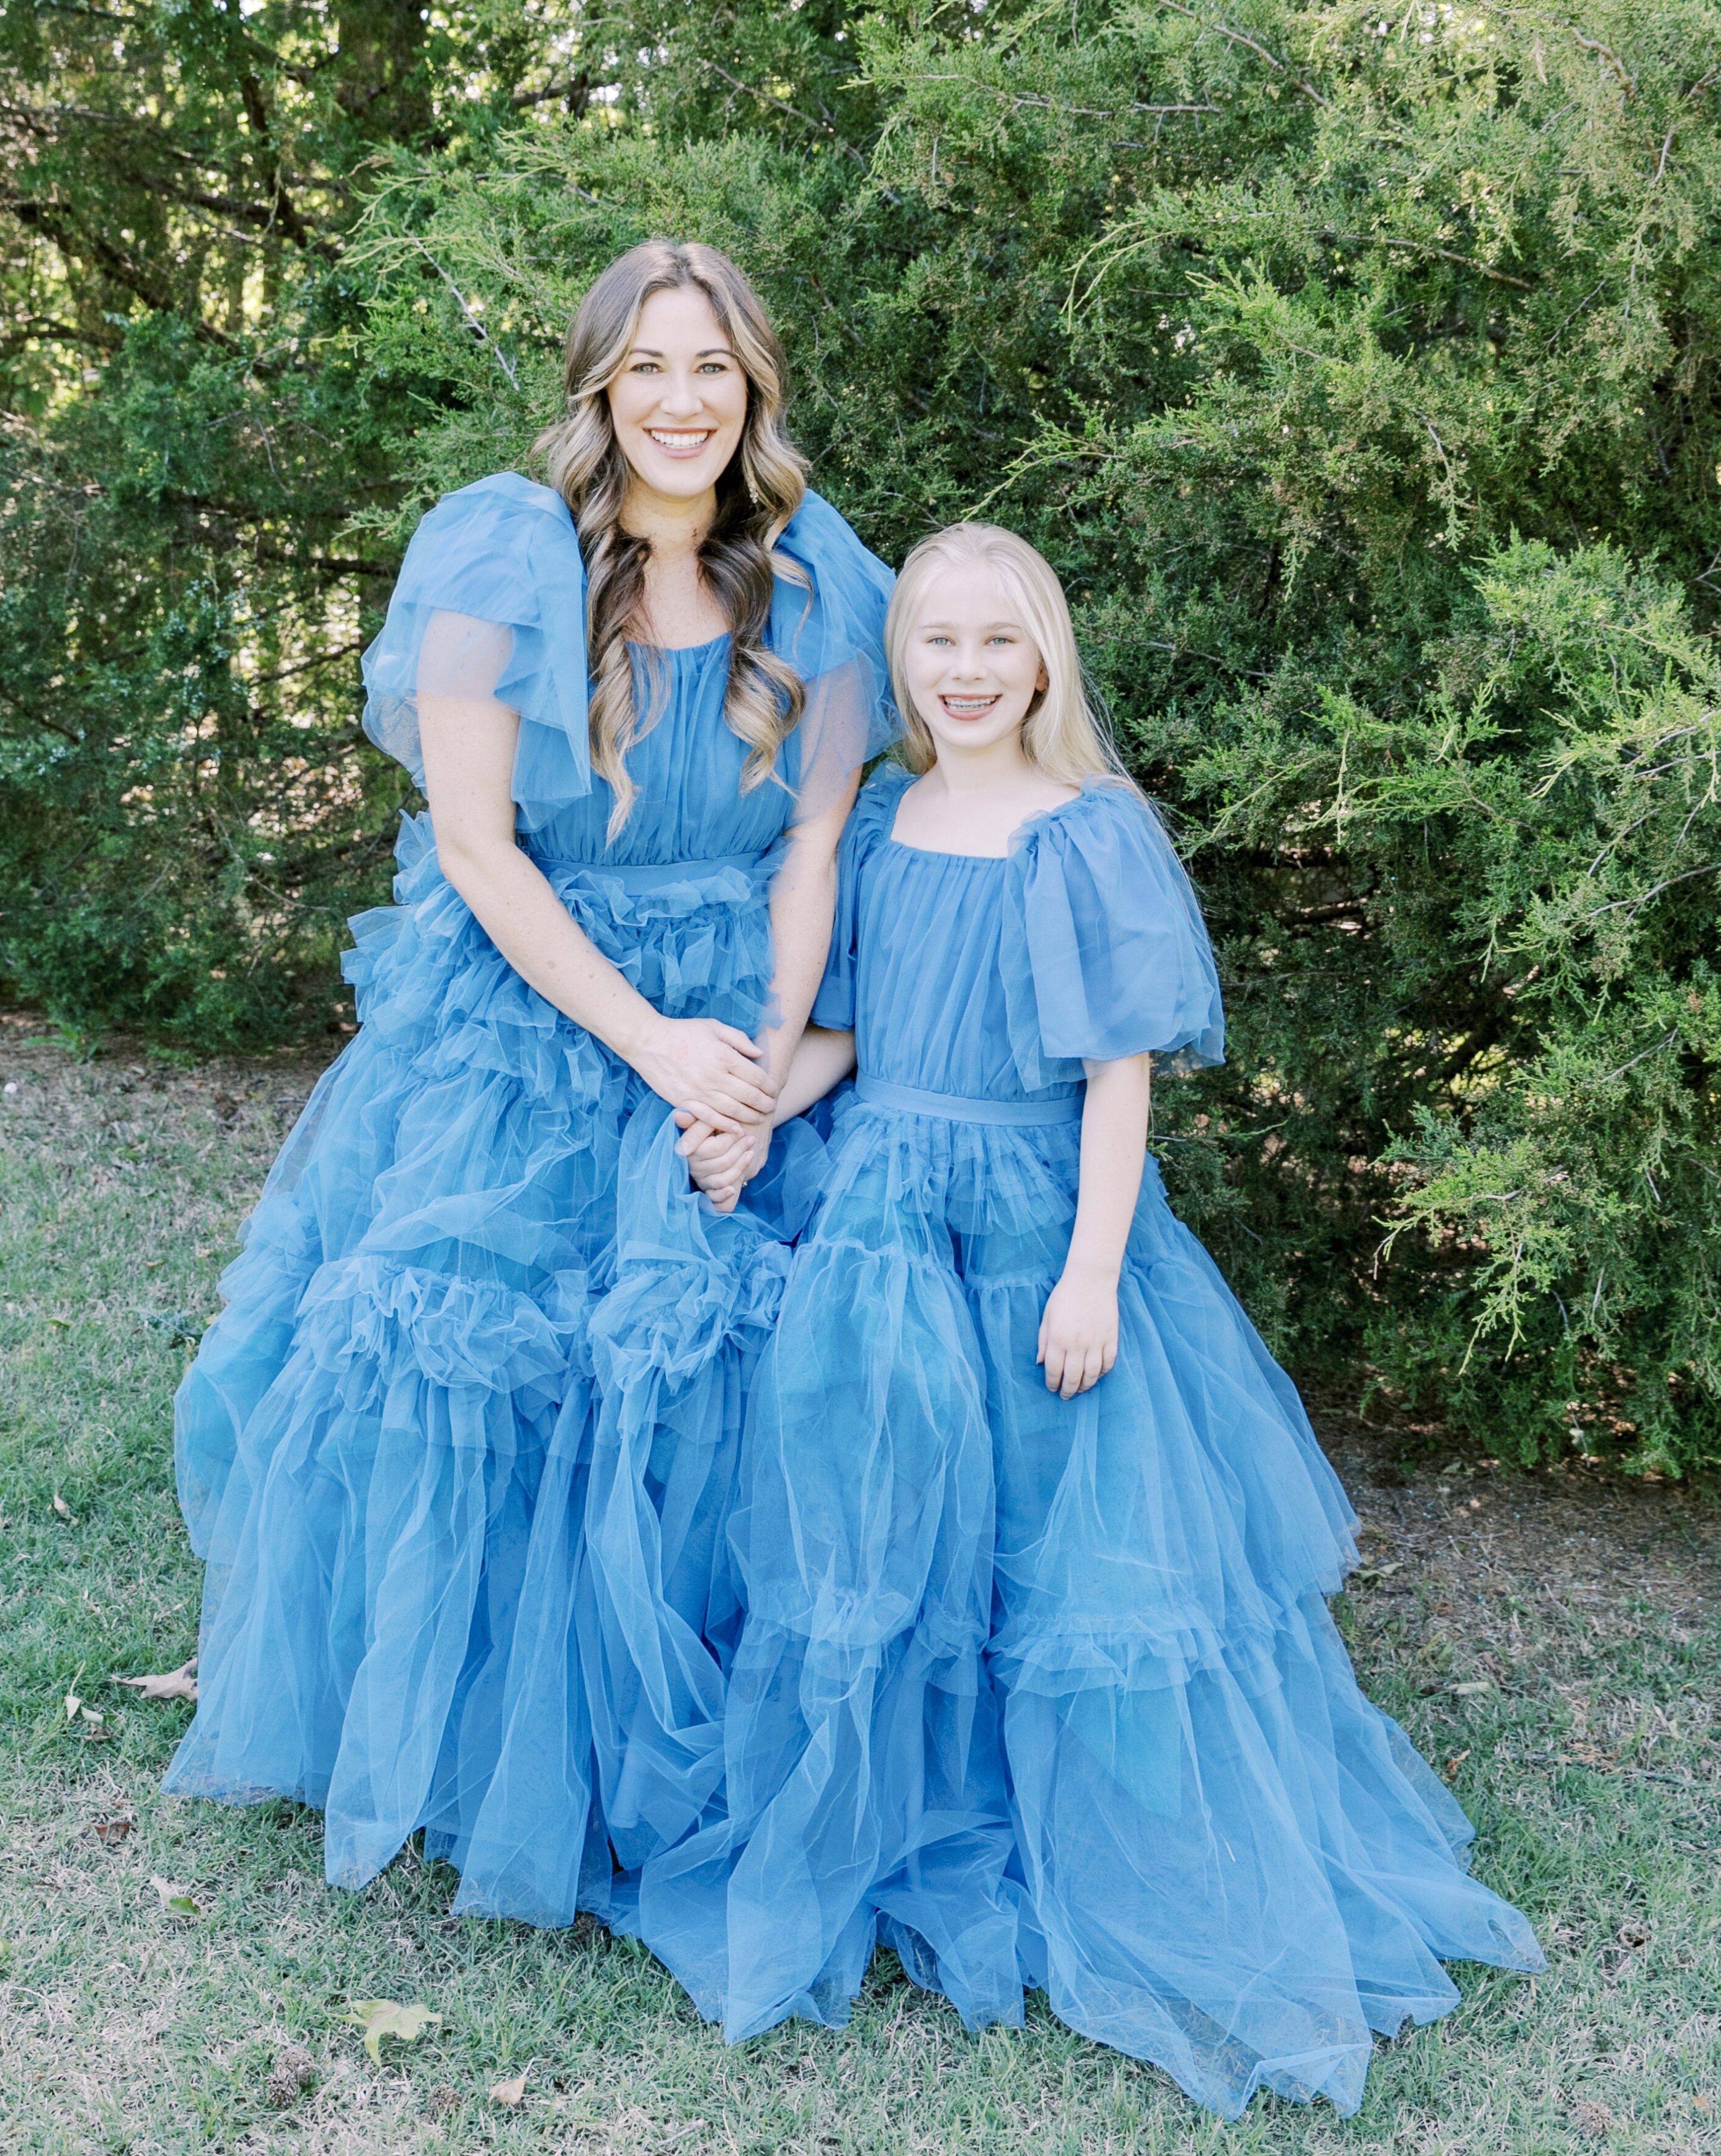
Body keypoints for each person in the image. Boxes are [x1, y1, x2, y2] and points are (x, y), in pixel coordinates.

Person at [646, 521, 1543, 2115]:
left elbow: (1118, 1072)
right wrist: (751, 1115)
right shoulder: (881, 822)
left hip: (1039, 1226)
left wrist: (1090, 1269)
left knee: (1059, 1531)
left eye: (1002, 640)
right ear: (903, 659)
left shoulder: (1087, 832)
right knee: (899, 1521)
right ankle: (927, 1819)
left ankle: (1109, 1840)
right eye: (940, 642)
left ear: (1047, 653)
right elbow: (847, 1030)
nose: (971, 670)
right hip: (889, 1222)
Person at [163, 240, 895, 1930]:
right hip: (547, 1008)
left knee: (754, 1349)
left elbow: (816, 841)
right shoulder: (503, 555)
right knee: (491, 1355)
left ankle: (725, 1711)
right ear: (597, 389)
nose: (683, 402)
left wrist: (769, 1074)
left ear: (755, 390)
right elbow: (482, 852)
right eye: (648, 368)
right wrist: (651, 1050)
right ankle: (490, 1727)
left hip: (752, 1022)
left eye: (714, 369)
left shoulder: (817, 577)